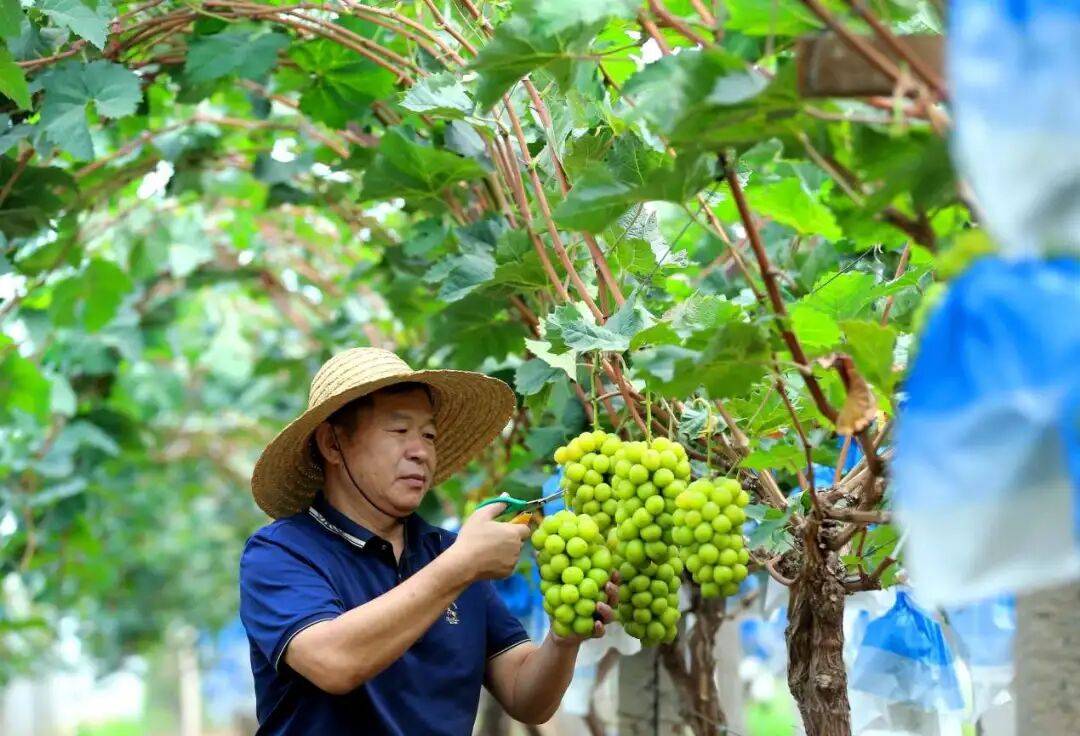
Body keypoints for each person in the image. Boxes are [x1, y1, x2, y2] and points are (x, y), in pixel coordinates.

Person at [239, 348, 619, 734]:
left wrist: (562, 640)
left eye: (429, 435)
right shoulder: (280, 553)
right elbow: (333, 662)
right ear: (333, 444)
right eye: (399, 431)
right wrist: (461, 566)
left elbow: (526, 697)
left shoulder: (446, 551)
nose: (421, 452)